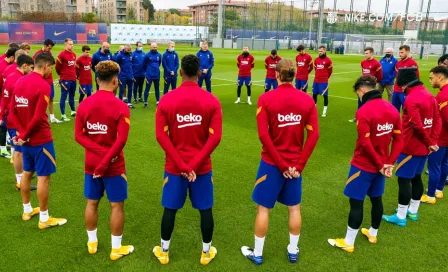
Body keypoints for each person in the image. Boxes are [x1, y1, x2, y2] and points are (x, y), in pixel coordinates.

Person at [240, 59, 319, 265]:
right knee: (294, 209)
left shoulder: (266, 99)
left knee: (263, 209)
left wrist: (281, 165)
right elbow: (314, 136)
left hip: (271, 164)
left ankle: (257, 254)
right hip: (294, 167)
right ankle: (292, 251)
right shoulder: (307, 100)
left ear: (275, 75)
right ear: (295, 75)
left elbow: (263, 136)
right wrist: (298, 166)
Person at [153, 55, 222, 265]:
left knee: (170, 209)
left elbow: (160, 136)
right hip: (201, 169)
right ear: (200, 73)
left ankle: (164, 252)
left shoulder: (166, 99)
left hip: (175, 168)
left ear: (181, 72)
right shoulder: (211, 100)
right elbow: (215, 137)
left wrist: (183, 165)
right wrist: (193, 165)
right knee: (205, 210)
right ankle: (206, 252)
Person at [328, 75, 402, 253]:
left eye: (357, 94)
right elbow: (400, 140)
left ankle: (348, 242)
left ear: (361, 91)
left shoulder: (364, 111)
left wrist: (380, 164)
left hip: (363, 165)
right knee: (377, 200)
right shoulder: (392, 109)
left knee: (356, 203)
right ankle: (372, 233)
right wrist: (388, 163)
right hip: (382, 166)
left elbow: (365, 143)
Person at [75, 60, 134, 261]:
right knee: (116, 206)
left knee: (92, 203)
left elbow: (79, 136)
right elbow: (122, 140)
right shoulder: (121, 106)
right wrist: (106, 159)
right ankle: (115, 249)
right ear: (116, 81)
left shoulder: (84, 104)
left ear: (97, 79)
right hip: (114, 165)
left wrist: (98, 157)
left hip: (91, 164)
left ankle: (92, 243)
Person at [10, 53, 67, 229]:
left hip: (25, 140)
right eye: (51, 67)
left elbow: (12, 112)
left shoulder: (20, 81)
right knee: (43, 178)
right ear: (45, 66)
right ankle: (44, 218)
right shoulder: (43, 85)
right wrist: (25, 134)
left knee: (27, 173)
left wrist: (20, 134)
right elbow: (37, 117)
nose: (51, 71)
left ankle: (27, 210)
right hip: (40, 139)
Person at [382, 67, 441, 227]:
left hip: (410, 147)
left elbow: (416, 124)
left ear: (403, 82)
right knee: (416, 177)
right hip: (423, 148)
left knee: (404, 180)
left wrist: (430, 142)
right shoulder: (429, 95)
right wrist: (432, 141)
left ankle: (401, 215)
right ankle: (413, 211)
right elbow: (437, 120)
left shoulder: (411, 98)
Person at [0, 54, 35, 190]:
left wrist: (3, 113)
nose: (32, 71)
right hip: (16, 119)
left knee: (17, 149)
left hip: (10, 117)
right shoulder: (19, 80)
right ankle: (20, 181)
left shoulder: (11, 76)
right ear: (25, 66)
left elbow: (5, 97)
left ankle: (20, 177)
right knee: (19, 150)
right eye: (31, 68)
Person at [421, 66, 448, 203]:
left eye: (432, 78)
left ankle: (430, 195)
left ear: (440, 77)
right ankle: (439, 190)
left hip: (440, 138)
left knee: (434, 166)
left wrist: (434, 139)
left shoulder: (443, 95)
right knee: (444, 164)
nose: (430, 81)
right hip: (445, 138)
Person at [349, 47, 383, 123]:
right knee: (360, 101)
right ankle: (358, 117)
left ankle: (372, 118)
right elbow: (363, 72)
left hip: (371, 87)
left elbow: (380, 76)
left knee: (371, 102)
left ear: (371, 53)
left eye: (367, 53)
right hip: (362, 85)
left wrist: (373, 84)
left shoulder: (376, 63)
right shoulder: (363, 62)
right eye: (365, 53)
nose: (365, 55)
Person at [33, 39, 61, 124]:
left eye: (51, 48)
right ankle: (39, 117)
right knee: (40, 100)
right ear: (45, 46)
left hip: (49, 80)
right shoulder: (37, 55)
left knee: (51, 98)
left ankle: (52, 117)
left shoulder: (50, 54)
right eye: (49, 48)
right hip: (40, 80)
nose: (50, 50)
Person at [0, 48, 17, 159]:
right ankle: (2, 149)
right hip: (4, 99)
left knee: (5, 125)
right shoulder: (5, 67)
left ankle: (4, 146)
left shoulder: (5, 65)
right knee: (3, 125)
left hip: (4, 98)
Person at [392, 45, 419, 113]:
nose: (400, 54)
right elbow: (397, 76)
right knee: (394, 110)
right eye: (400, 52)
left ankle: (405, 123)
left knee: (406, 110)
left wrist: (408, 88)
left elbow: (416, 78)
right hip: (396, 90)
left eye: (402, 52)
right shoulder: (398, 63)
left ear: (408, 52)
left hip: (405, 91)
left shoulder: (412, 63)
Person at [56, 38, 77, 121]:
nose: (72, 45)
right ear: (65, 45)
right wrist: (61, 76)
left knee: (72, 95)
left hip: (73, 78)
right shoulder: (61, 55)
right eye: (70, 44)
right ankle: (63, 115)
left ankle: (73, 111)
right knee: (63, 96)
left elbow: (73, 66)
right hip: (65, 79)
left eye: (72, 44)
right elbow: (57, 67)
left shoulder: (74, 54)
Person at [313, 45, 333, 117]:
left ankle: (324, 112)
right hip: (316, 80)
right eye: (319, 51)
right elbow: (315, 69)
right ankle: (314, 110)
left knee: (325, 96)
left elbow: (330, 71)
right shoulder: (316, 60)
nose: (320, 52)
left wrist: (325, 78)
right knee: (314, 95)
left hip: (323, 81)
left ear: (325, 51)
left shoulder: (328, 60)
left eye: (321, 51)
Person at [143, 43, 162, 107]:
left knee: (157, 88)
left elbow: (159, 63)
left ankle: (158, 101)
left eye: (156, 47)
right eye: (154, 47)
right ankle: (145, 101)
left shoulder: (159, 55)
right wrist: (147, 72)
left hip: (157, 75)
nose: (155, 48)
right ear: (151, 47)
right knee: (147, 88)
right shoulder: (147, 55)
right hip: (149, 75)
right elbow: (144, 64)